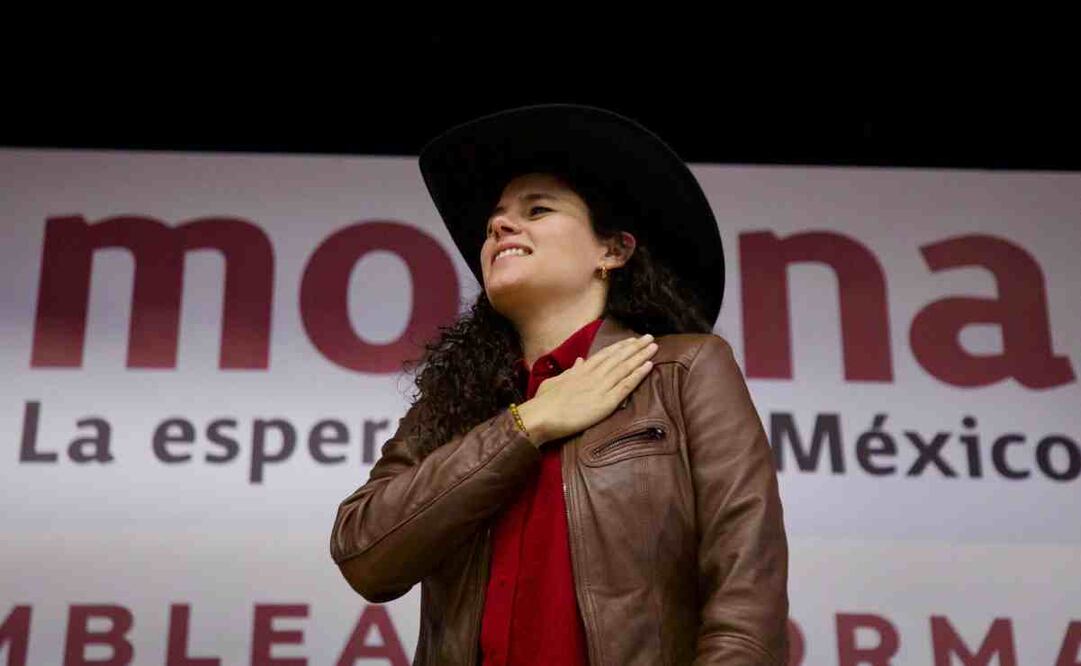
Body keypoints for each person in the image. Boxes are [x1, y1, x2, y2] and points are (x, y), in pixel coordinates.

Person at [329, 104, 789, 665]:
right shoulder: (456, 400)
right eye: (494, 220)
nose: (499, 226)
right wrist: (528, 423)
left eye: (538, 209)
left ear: (612, 250)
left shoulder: (684, 370)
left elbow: (747, 602)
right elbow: (363, 554)